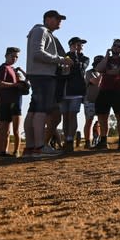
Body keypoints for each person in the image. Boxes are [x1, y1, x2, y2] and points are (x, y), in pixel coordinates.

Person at [24, 10, 72, 157]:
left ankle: (30, 148)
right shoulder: (41, 30)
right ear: (48, 19)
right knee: (41, 111)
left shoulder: (41, 31)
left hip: (39, 74)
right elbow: (37, 53)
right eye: (57, 19)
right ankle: (39, 147)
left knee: (33, 111)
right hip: (43, 75)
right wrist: (60, 60)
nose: (59, 22)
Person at [95, 39, 120, 150]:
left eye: (119, 46)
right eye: (115, 45)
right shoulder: (107, 59)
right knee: (102, 115)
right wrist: (106, 56)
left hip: (119, 89)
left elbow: (118, 71)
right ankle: (103, 140)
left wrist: (110, 72)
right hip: (104, 89)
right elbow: (99, 69)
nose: (116, 47)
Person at [59, 37, 90, 152]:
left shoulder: (85, 58)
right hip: (64, 91)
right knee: (65, 117)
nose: (80, 46)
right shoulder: (64, 57)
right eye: (78, 44)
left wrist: (74, 56)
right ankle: (66, 140)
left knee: (72, 115)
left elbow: (80, 68)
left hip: (76, 91)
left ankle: (70, 140)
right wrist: (70, 56)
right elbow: (61, 71)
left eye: (81, 45)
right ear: (72, 45)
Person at [83, 55, 103, 149]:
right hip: (90, 101)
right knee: (89, 121)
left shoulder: (101, 73)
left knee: (102, 121)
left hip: (101, 100)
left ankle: (101, 141)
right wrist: (103, 73)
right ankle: (87, 142)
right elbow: (96, 82)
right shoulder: (89, 72)